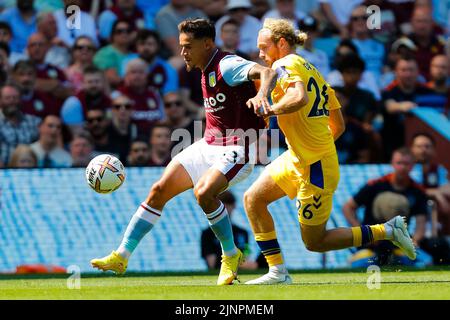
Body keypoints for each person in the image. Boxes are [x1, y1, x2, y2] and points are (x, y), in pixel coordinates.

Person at [91, 18, 277, 286]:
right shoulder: (205, 68)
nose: (183, 53)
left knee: (203, 193)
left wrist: (262, 96)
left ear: (207, 43)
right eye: (181, 46)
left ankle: (230, 254)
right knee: (158, 191)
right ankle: (121, 255)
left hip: (239, 148)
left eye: (188, 46)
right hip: (209, 145)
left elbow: (266, 72)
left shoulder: (227, 64)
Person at [243, 18, 416, 285]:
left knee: (316, 242)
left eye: (264, 47)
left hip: (315, 169)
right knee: (253, 199)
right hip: (300, 158)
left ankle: (387, 230)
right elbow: (339, 125)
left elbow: (298, 97)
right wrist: (315, 144)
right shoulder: (317, 74)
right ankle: (277, 272)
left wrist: (271, 109)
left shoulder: (284, 64)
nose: (260, 54)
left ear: (281, 43)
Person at [343, 148, 428, 267]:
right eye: (399, 163)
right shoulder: (375, 185)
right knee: (358, 265)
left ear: (412, 166)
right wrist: (363, 233)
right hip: (372, 246)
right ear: (392, 164)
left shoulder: (418, 191)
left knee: (424, 262)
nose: (402, 167)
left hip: (399, 245)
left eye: (406, 164)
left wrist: (415, 241)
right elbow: (348, 207)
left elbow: (421, 224)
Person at [201, 190, 267, 270]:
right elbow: (213, 264)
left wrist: (248, 263)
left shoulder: (242, 233)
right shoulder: (208, 234)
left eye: (228, 204)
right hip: (223, 269)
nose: (225, 208)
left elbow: (246, 254)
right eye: (221, 205)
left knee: (269, 251)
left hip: (241, 269)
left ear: (234, 206)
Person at [0, 84, 41, 165]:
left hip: (29, 170)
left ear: (20, 99)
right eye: (7, 98)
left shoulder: (34, 121)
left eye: (15, 97)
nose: (12, 101)